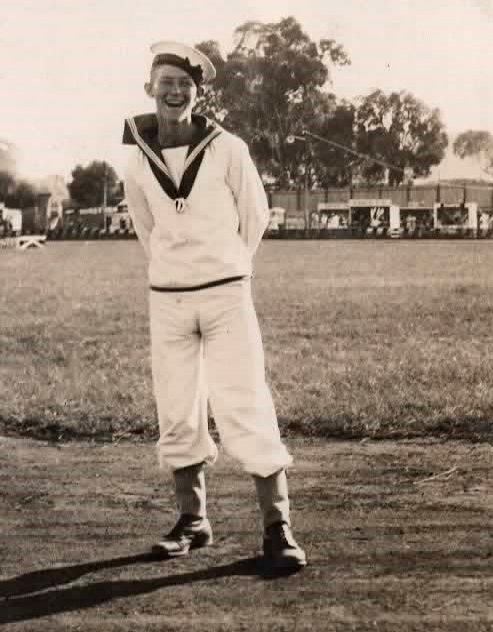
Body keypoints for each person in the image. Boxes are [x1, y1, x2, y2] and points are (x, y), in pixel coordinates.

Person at [123, 41, 307, 572]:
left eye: (185, 85)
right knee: (177, 407)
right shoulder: (136, 154)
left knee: (244, 402)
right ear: (149, 88)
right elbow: (146, 226)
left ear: (197, 93)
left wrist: (228, 270)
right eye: (166, 83)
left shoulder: (228, 147)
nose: (175, 92)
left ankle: (278, 528)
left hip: (226, 293)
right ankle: (193, 522)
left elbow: (255, 215)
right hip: (169, 299)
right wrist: (175, 270)